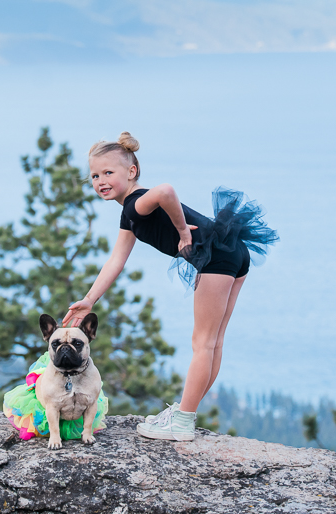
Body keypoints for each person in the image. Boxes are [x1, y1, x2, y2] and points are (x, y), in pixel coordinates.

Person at [62, 131, 278, 441]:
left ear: (131, 171)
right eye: (95, 175)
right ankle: (184, 412)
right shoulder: (131, 213)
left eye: (109, 172)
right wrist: (89, 299)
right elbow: (116, 260)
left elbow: (166, 191)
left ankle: (183, 420)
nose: (100, 180)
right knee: (213, 342)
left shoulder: (136, 204)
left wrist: (183, 233)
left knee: (202, 343)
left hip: (216, 257)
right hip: (234, 252)